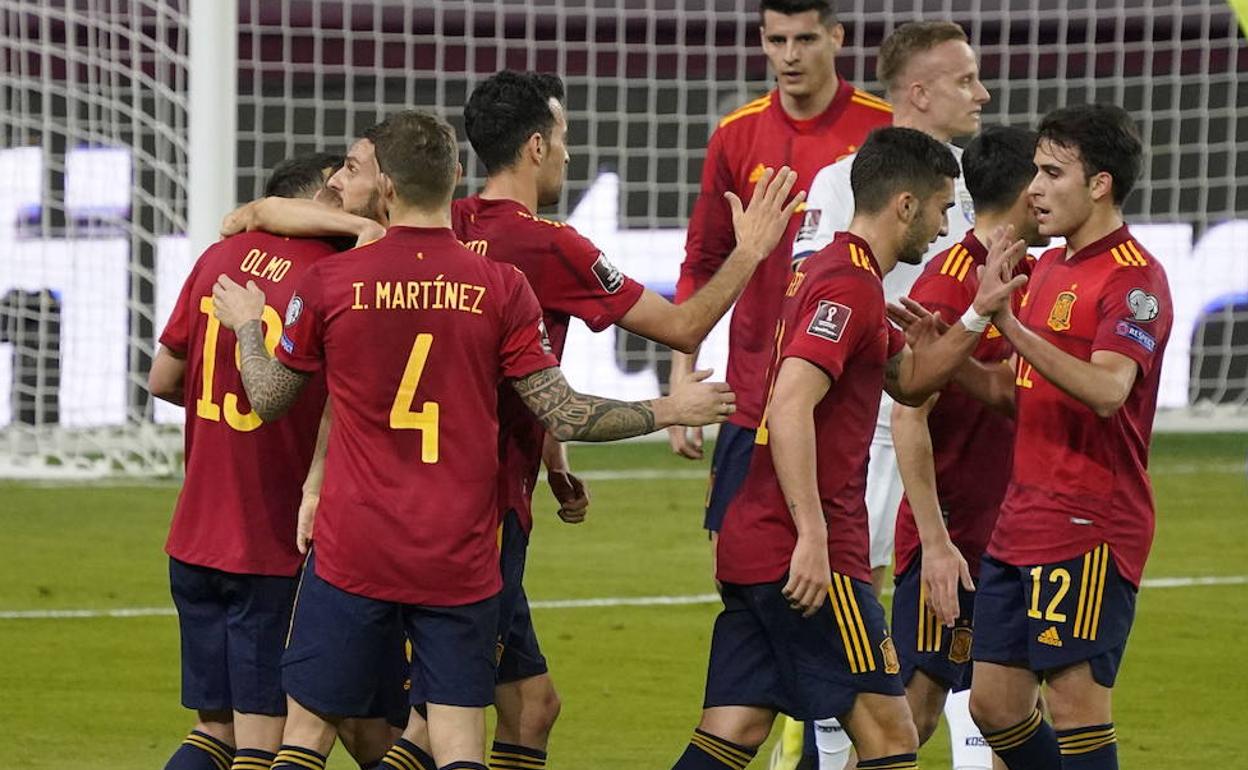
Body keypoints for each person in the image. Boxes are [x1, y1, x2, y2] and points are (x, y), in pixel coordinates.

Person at [209, 109, 737, 770]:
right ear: (455, 177)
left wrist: (248, 328)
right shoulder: (501, 286)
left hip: (354, 546)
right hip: (458, 551)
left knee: (307, 736)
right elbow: (564, 412)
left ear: (390, 192)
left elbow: (269, 396)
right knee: (459, 747)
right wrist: (670, 406)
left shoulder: (332, 282)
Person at [433, 70, 803, 770]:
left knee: (529, 707)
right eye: (566, 137)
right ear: (537, 146)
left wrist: (553, 462)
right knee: (436, 725)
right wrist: (750, 250)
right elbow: (683, 324)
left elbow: (502, 369)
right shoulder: (549, 244)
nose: (571, 154)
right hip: (479, 520)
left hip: (428, 496)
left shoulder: (445, 226)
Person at [670, 126, 1028, 770]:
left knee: (735, 729)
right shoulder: (847, 285)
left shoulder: (837, 272)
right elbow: (788, 404)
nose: (947, 226)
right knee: (891, 738)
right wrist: (811, 535)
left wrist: (976, 317)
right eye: (945, 207)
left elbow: (910, 382)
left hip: (752, 541)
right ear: (905, 206)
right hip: (807, 552)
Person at [787, 22, 992, 768]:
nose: (982, 92)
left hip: (953, 434)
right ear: (918, 93)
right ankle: (817, 749)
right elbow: (811, 296)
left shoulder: (983, 182)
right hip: (869, 429)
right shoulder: (842, 182)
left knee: (943, 641)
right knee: (853, 617)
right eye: (965, 79)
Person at [959, 105, 1171, 770]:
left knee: (1077, 710)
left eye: (1052, 173)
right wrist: (940, 354)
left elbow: (1109, 390)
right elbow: (1011, 390)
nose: (1035, 190)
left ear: (1100, 184)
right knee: (991, 705)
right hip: (1022, 517)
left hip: (1089, 520)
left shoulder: (1134, 278)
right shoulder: (1047, 269)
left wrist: (1012, 326)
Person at [668, 0, 893, 584]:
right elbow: (702, 259)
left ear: (837, 37)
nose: (789, 56)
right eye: (776, 41)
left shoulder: (882, 130)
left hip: (842, 391)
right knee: (736, 574)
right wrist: (679, 375)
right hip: (751, 391)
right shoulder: (737, 135)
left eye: (805, 40)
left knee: (851, 572)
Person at [149, 152, 347, 770]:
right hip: (268, 542)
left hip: (194, 538)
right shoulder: (331, 274)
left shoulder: (218, 258)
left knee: (213, 729)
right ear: (317, 204)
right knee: (265, 740)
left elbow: (162, 379)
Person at [888, 125, 1048, 770]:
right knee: (907, 716)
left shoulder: (1042, 274)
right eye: (1042, 177)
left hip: (1018, 534)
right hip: (954, 539)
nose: (1047, 190)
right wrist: (933, 542)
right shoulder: (948, 285)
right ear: (1021, 193)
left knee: (1014, 711)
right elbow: (907, 419)